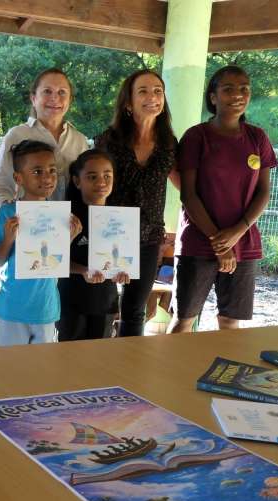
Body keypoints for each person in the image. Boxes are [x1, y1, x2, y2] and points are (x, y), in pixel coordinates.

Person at [169, 65, 276, 333]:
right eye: (228, 89)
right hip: (198, 242)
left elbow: (263, 192)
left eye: (244, 89)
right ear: (213, 97)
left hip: (244, 242)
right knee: (184, 319)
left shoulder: (257, 137)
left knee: (230, 321)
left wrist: (238, 232)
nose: (237, 95)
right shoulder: (196, 136)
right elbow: (189, 195)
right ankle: (164, 375)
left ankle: (225, 376)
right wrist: (220, 243)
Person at [94, 69, 179, 337]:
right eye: (143, 90)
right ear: (128, 102)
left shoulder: (169, 144)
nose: (152, 96)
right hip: (110, 231)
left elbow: (186, 187)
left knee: (135, 310)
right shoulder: (110, 139)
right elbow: (94, 185)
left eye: (158, 91)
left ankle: (127, 368)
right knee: (102, 305)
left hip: (150, 235)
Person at [0, 140, 81, 347]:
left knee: (40, 373)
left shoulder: (59, 216)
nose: (47, 177)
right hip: (12, 308)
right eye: (37, 171)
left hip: (45, 309)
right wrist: (8, 238)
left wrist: (70, 237)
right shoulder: (8, 212)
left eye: (52, 170)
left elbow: (53, 262)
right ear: (18, 178)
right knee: (6, 370)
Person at [0, 68, 89, 214]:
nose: (55, 98)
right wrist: (8, 218)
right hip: (27, 225)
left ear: (70, 100)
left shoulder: (79, 140)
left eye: (62, 92)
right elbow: (0, 185)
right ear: (33, 98)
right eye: (47, 91)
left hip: (69, 226)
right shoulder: (16, 135)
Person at [58, 151, 130, 341]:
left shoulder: (120, 219)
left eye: (107, 176)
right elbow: (51, 264)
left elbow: (121, 262)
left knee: (99, 360)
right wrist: (83, 270)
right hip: (71, 302)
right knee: (70, 359)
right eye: (92, 176)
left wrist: (122, 272)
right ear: (77, 181)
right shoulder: (66, 217)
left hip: (105, 302)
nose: (101, 182)